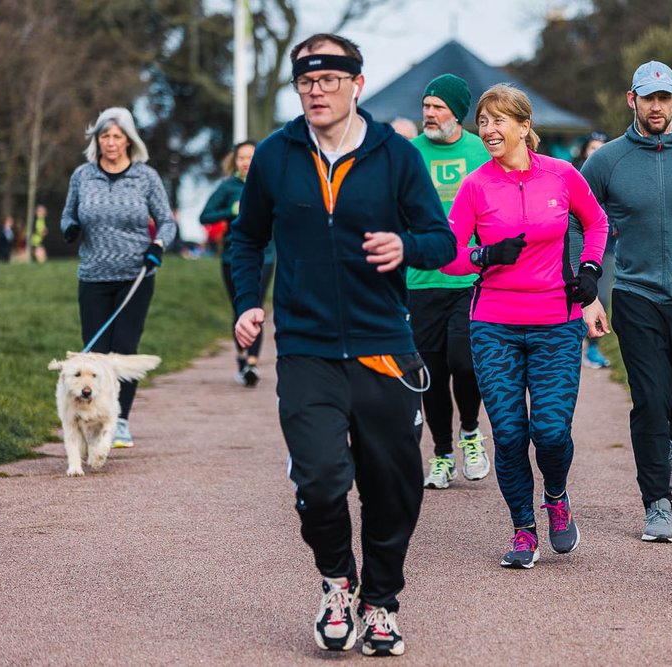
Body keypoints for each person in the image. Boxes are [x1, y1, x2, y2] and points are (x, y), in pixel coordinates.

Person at [228, 33, 455, 657]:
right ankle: (336, 581)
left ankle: (381, 602)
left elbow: (442, 241)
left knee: (393, 487)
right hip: (307, 347)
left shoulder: (396, 157)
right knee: (322, 481)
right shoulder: (276, 155)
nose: (316, 91)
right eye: (305, 80)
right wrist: (249, 303)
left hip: (384, 345)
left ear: (356, 84)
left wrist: (407, 248)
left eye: (329, 79)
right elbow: (245, 239)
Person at [442, 84, 608, 569]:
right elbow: (447, 255)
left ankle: (555, 496)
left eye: (498, 121)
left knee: (551, 432)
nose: (489, 130)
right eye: (484, 121)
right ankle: (522, 530)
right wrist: (483, 255)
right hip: (493, 324)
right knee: (511, 434)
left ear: (523, 126)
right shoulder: (476, 186)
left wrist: (590, 272)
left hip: (556, 322)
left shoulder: (561, 175)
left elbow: (596, 223)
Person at [581, 60, 672, 544]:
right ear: (633, 100)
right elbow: (575, 222)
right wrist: (586, 293)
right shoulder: (607, 161)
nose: (657, 106)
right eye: (649, 98)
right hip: (637, 295)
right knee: (649, 401)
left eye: (664, 98)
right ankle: (657, 504)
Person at [60, 106, 177, 448]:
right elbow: (67, 215)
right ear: (96, 139)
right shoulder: (82, 176)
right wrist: (70, 229)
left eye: (117, 136)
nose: (111, 143)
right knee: (95, 354)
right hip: (93, 275)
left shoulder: (145, 177)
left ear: (129, 140)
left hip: (135, 275)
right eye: (105, 136)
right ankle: (93, 419)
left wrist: (158, 244)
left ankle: (120, 420)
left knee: (123, 351)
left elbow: (167, 222)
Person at [409, 74, 492, 490]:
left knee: (464, 361)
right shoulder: (409, 154)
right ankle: (442, 454)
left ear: (457, 112)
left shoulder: (480, 150)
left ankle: (471, 433)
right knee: (432, 372)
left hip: (469, 277)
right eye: (426, 106)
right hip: (420, 279)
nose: (429, 113)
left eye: (438, 107)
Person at [199, 140, 274, 386]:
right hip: (234, 256)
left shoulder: (269, 183)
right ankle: (242, 359)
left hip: (266, 255)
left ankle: (252, 364)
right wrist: (231, 209)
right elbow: (205, 216)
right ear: (235, 161)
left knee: (256, 306)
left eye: (251, 157)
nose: (246, 162)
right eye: (241, 157)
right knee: (240, 307)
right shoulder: (227, 187)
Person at [571, 130, 612, 369]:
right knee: (574, 296)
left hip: (605, 246)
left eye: (602, 149)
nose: (597, 154)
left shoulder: (615, 175)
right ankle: (572, 346)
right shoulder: (573, 174)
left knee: (602, 297)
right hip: (575, 245)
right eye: (593, 148)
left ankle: (593, 348)